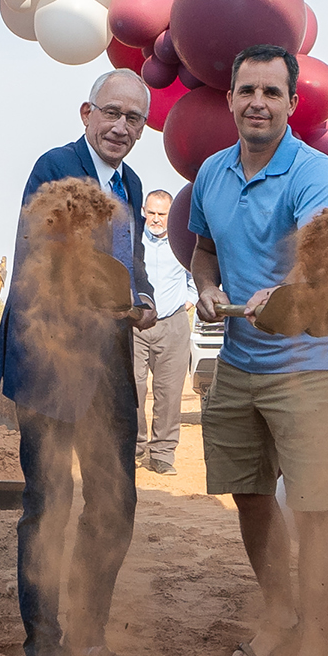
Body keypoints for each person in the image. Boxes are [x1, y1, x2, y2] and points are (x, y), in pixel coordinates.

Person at [186, 45, 328, 656]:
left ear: (292, 103)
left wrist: (283, 292)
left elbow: (318, 259)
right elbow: (203, 250)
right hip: (238, 363)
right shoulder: (211, 173)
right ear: (229, 99)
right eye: (247, 90)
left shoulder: (316, 175)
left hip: (307, 367)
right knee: (251, 496)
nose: (258, 102)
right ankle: (279, 615)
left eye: (272, 92)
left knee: (315, 511)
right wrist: (206, 287)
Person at [0, 70, 157, 656]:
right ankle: (42, 652)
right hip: (51, 363)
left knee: (115, 505)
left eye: (133, 118)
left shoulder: (130, 184)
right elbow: (43, 256)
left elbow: (131, 260)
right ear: (87, 113)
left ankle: (87, 642)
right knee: (49, 506)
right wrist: (102, 291)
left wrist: (140, 297)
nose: (121, 126)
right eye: (111, 112)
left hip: (109, 368)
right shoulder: (54, 168)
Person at [134, 189, 195, 474]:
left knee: (169, 393)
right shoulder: (133, 240)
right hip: (135, 324)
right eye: (151, 213)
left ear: (171, 215)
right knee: (132, 388)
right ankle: (133, 447)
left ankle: (162, 454)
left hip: (173, 324)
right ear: (143, 212)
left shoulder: (183, 241)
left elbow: (196, 273)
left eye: (162, 214)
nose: (156, 219)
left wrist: (189, 300)